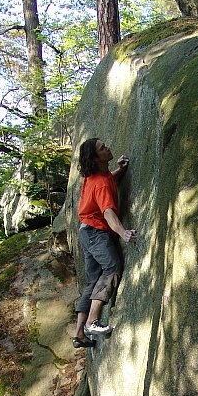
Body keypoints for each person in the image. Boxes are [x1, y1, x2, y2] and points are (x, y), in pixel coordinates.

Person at [72, 137, 138, 348]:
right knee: (112, 267)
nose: (107, 147)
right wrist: (123, 232)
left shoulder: (97, 176)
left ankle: (79, 333)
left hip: (86, 232)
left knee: (92, 282)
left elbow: (108, 183)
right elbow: (108, 211)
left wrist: (119, 171)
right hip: (97, 234)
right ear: (96, 157)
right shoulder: (99, 183)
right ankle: (92, 321)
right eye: (102, 148)